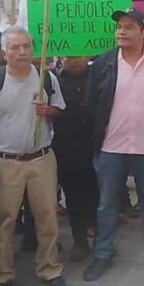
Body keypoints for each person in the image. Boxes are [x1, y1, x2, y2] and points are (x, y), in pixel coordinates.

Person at [82, 8, 144, 281]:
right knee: (107, 207)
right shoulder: (103, 64)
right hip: (111, 150)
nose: (121, 32)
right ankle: (102, 255)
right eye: (119, 27)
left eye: (128, 27)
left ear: (143, 32)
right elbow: (91, 106)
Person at [0, 28, 67, 286]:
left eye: (26, 46)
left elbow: (59, 109)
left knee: (47, 216)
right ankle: (2, 273)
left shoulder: (46, 78)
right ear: (5, 53)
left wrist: (47, 111)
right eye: (15, 48)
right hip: (5, 161)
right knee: (5, 220)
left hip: (41, 159)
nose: (23, 52)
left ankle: (50, 269)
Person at [52, 56, 98, 263]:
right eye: (69, 55)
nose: (75, 60)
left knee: (98, 194)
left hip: (96, 144)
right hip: (67, 146)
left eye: (79, 54)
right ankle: (79, 240)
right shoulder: (53, 80)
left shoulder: (99, 76)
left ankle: (101, 238)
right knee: (73, 195)